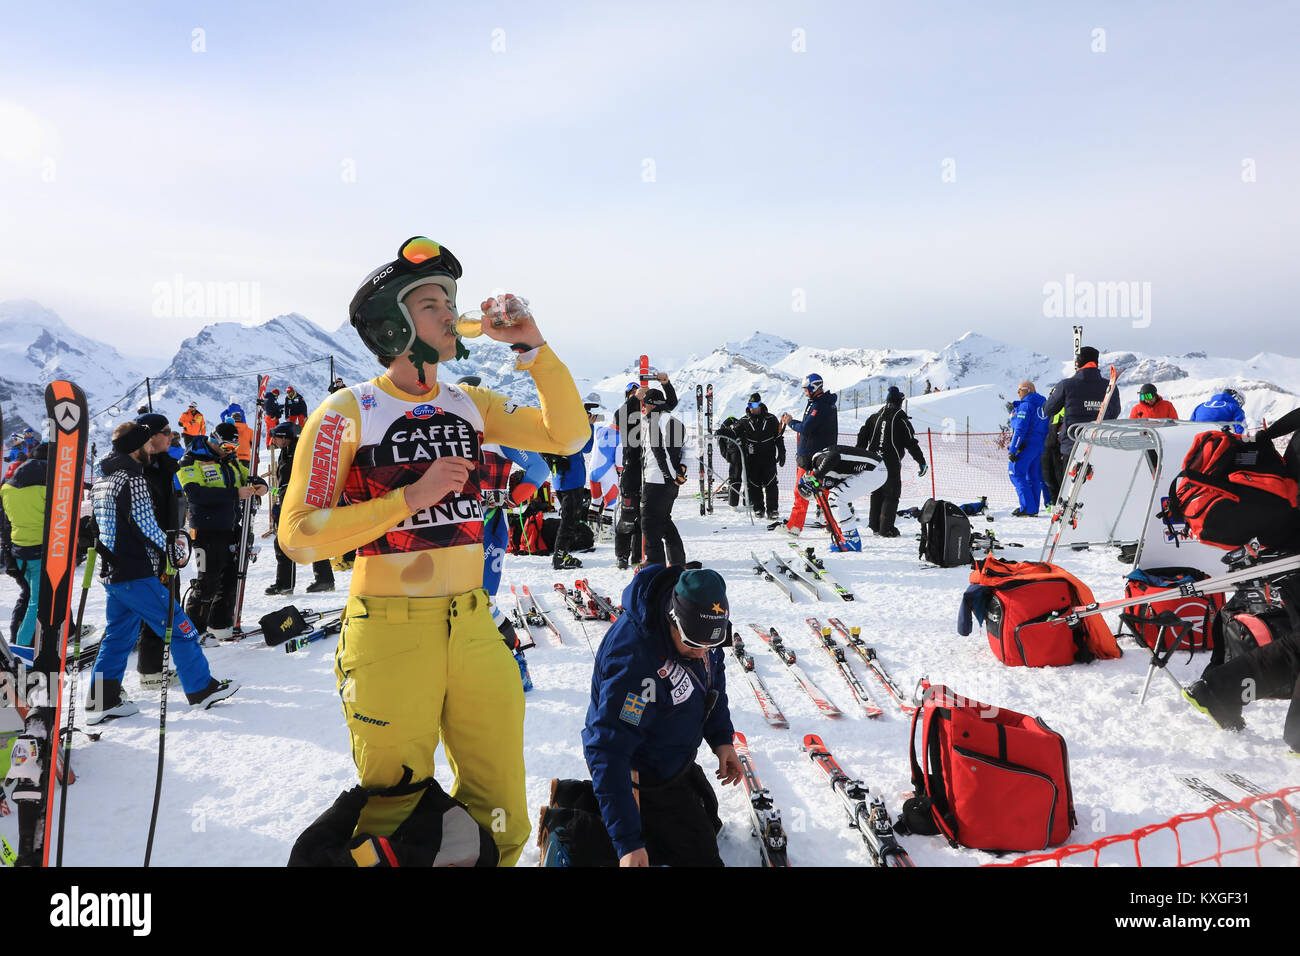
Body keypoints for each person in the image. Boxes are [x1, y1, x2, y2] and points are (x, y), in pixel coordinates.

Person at [277, 235, 588, 866]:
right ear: (392, 325)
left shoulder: (470, 403)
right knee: (396, 811)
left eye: (450, 301)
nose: (450, 313)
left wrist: (531, 346)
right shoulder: (347, 411)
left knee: (502, 812)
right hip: (388, 631)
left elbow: (567, 435)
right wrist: (408, 498)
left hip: (473, 625)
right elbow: (299, 535)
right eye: (430, 304)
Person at [582, 566, 741, 867]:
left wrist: (722, 740)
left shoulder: (701, 633)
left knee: (707, 820)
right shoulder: (635, 663)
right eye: (694, 644)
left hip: (671, 754)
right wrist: (628, 843)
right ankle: (593, 815)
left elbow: (712, 684)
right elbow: (609, 749)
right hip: (641, 768)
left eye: (711, 645)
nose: (702, 652)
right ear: (672, 619)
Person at [86, 421, 238, 723]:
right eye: (146, 444)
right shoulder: (132, 478)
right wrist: (174, 550)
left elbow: (99, 525)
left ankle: (103, 700)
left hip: (115, 572)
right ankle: (201, 689)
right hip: (136, 572)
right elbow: (146, 525)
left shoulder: (104, 477)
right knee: (180, 628)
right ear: (136, 447)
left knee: (118, 637)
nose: (149, 449)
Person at [178, 421, 268, 641]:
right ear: (214, 440)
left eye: (234, 447)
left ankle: (220, 624)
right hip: (206, 530)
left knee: (230, 578)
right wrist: (234, 494)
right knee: (207, 582)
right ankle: (195, 630)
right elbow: (195, 494)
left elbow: (248, 476)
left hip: (231, 527)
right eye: (227, 446)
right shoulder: (190, 461)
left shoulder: (230, 461)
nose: (230, 451)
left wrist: (260, 485)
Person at [133, 413, 185, 687]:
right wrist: (164, 542)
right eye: (166, 431)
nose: (171, 435)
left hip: (165, 546)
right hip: (150, 552)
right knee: (158, 609)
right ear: (150, 436)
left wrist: (173, 537)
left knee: (164, 608)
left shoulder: (163, 465)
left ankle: (151, 668)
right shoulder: (140, 472)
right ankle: (151, 671)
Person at [614, 374, 678, 570]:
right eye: (633, 393)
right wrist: (635, 398)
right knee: (628, 517)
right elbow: (618, 416)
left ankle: (638, 556)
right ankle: (622, 555)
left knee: (645, 518)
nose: (638, 395)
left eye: (640, 392)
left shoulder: (649, 416)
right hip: (631, 472)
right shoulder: (626, 417)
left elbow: (669, 404)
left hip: (648, 474)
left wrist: (666, 384)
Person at [264, 422, 336, 596]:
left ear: (285, 438)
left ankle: (286, 584)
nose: (273, 440)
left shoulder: (297, 452)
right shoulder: (289, 451)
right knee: (311, 538)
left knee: (283, 541)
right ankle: (324, 580)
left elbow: (297, 480)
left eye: (275, 437)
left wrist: (287, 499)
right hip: (297, 502)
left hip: (298, 503)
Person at [1, 441, 48, 666]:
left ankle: (27, 641)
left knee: (30, 596)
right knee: (37, 602)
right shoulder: (45, 488)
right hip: (40, 551)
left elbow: (6, 523)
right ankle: (21, 650)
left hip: (19, 550)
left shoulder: (8, 488)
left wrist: (7, 553)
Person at [858, 386, 927, 536]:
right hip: (890, 463)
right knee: (891, 495)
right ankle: (886, 529)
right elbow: (911, 444)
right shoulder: (901, 420)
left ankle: (875, 526)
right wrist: (921, 462)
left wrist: (859, 458)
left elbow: (862, 436)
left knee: (877, 492)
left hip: (873, 462)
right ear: (900, 402)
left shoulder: (874, 417)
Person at [1042, 345, 1121, 472]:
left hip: (1072, 446)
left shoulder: (1066, 385)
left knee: (1070, 483)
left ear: (1078, 363)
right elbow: (1114, 413)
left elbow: (1049, 410)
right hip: (1099, 445)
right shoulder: (1110, 386)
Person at [778, 373, 838, 536]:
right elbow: (809, 426)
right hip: (817, 456)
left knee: (802, 492)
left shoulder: (820, 405)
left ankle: (794, 527)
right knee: (822, 493)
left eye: (806, 389)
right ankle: (832, 526)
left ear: (814, 387)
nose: (804, 392)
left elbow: (806, 428)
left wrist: (790, 422)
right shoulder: (820, 403)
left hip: (811, 457)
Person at [547, 401, 598, 570]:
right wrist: (589, 426)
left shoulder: (559, 428)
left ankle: (561, 554)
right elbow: (587, 447)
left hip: (562, 481)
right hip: (571, 481)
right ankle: (560, 557)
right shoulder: (571, 431)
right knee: (569, 521)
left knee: (569, 520)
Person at [641, 388, 687, 567]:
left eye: (645, 404)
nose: (644, 408)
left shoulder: (655, 422)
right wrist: (682, 471)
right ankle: (677, 563)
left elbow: (660, 452)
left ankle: (654, 564)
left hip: (657, 481)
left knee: (649, 524)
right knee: (664, 521)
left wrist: (671, 475)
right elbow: (690, 450)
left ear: (652, 405)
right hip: (670, 482)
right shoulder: (677, 422)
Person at [800, 444, 888, 529]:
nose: (820, 491)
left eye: (816, 492)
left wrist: (816, 475)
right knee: (836, 498)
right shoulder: (825, 475)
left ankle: (850, 536)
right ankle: (847, 533)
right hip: (875, 470)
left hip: (874, 469)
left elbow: (834, 456)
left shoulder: (817, 461)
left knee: (835, 499)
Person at [736, 392, 785, 519]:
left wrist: (782, 451)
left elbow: (778, 437)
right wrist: (724, 431)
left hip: (768, 457)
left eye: (755, 405)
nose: (752, 408)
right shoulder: (744, 421)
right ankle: (758, 509)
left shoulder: (771, 419)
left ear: (760, 405)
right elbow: (734, 432)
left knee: (771, 483)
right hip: (752, 458)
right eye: (750, 405)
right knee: (754, 484)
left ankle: (772, 510)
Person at [1007, 381, 1049, 517]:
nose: (1018, 393)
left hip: (1025, 446)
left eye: (1019, 390)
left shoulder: (1026, 405)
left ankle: (1027, 507)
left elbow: (1020, 428)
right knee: (1033, 476)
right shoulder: (1044, 405)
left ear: (1028, 390)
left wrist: (1013, 449)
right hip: (1040, 446)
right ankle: (1033, 508)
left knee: (1016, 473)